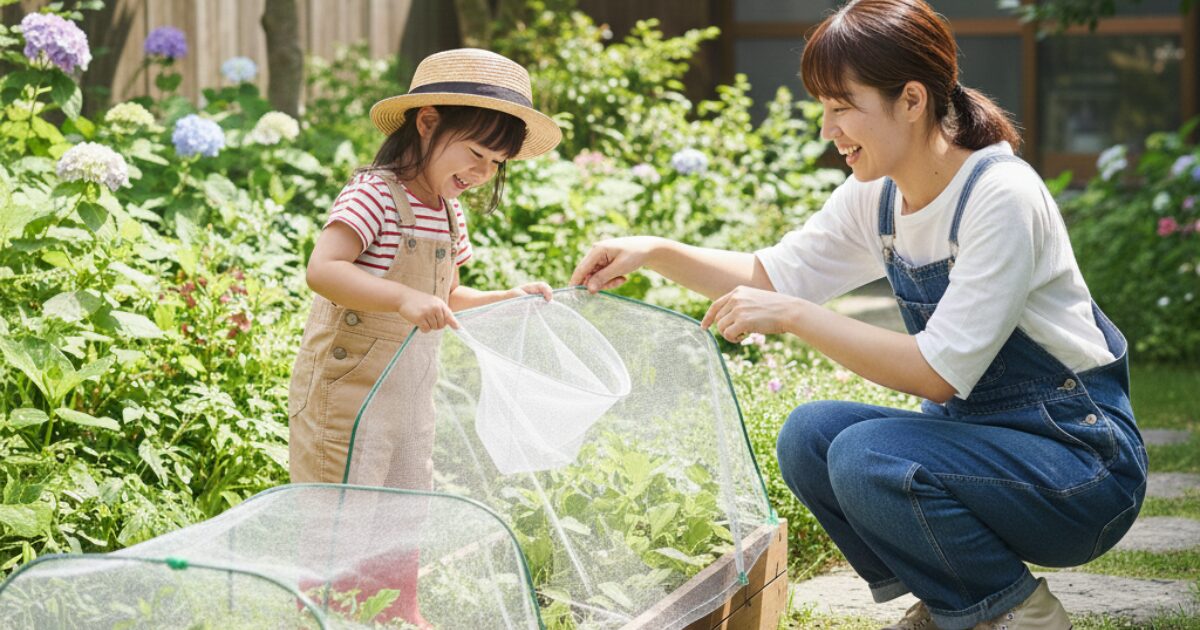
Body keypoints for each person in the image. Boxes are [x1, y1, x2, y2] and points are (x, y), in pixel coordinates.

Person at [569, 1, 1146, 628]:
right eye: (824, 106)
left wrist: (793, 316)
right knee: (810, 436)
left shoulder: (999, 195)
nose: (826, 129)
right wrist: (653, 252)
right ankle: (956, 595)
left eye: (842, 106)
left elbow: (938, 374)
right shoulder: (879, 194)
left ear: (912, 100)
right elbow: (772, 273)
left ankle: (1021, 615)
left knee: (866, 455)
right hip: (987, 450)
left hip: (1079, 467)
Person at [287, 48, 561, 626]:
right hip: (348, 397)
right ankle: (327, 616)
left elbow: (448, 294)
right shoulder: (374, 194)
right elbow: (324, 269)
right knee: (343, 515)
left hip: (409, 399)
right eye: (477, 153)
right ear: (428, 121)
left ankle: (396, 612)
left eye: (497, 163)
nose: (483, 172)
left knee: (404, 509)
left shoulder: (448, 210)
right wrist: (403, 298)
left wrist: (503, 298)